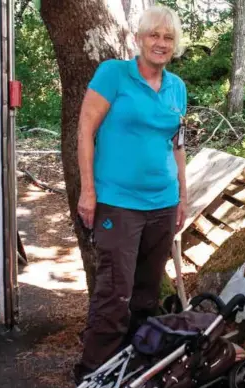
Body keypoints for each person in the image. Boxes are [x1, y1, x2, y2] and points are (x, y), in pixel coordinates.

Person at [73, 5, 188, 381]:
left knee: (145, 293)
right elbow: (85, 131)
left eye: (168, 37)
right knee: (114, 293)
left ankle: (135, 365)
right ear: (138, 39)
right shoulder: (114, 74)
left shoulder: (177, 87)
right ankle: (93, 372)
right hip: (118, 203)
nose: (161, 43)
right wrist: (88, 191)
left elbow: (178, 145)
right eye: (154, 35)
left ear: (175, 45)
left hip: (163, 203)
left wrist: (183, 197)